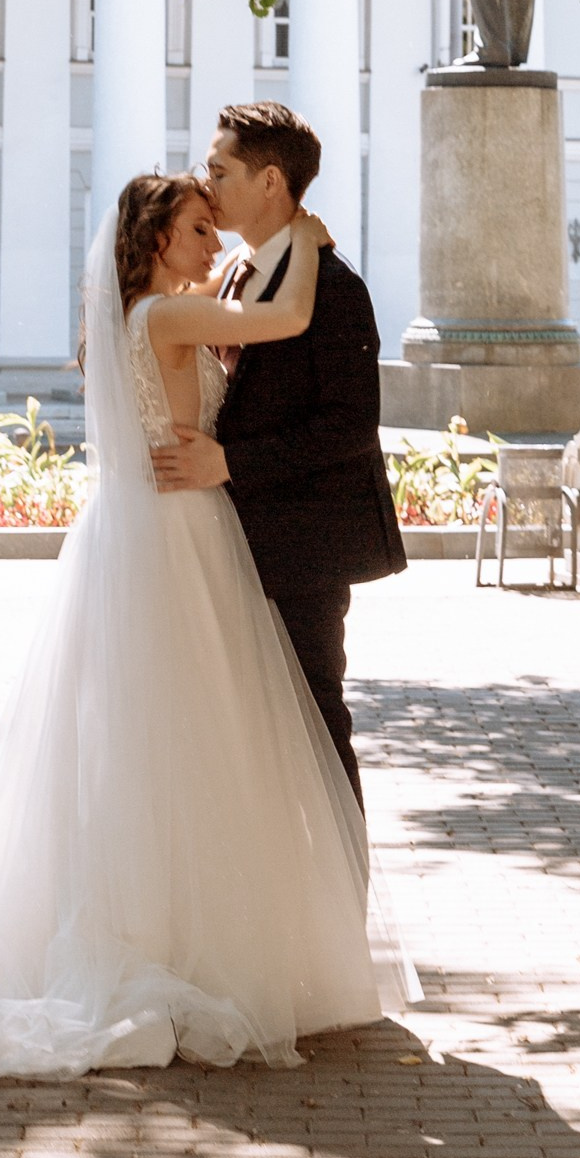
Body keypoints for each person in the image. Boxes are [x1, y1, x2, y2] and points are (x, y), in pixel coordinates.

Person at [0, 172, 396, 1083]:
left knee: (155, 745)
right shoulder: (161, 316)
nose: (212, 243)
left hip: (148, 529)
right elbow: (287, 317)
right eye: (196, 230)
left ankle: (170, 931)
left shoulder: (142, 316)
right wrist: (302, 238)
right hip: (180, 534)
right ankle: (180, 942)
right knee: (191, 737)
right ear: (154, 242)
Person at [151, 102, 407, 802]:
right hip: (224, 544)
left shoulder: (337, 289)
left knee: (315, 723)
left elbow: (351, 426)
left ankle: (342, 889)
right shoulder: (231, 276)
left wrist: (230, 464)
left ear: (270, 182)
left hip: (302, 549)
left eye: (220, 169)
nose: (208, 184)